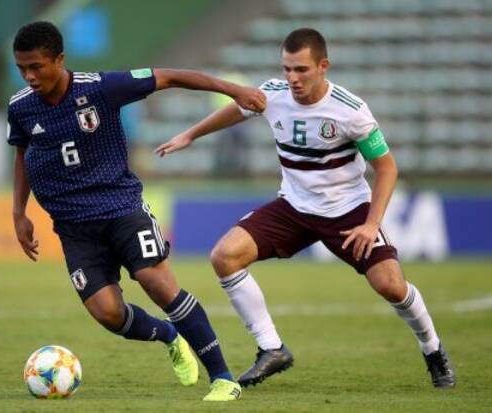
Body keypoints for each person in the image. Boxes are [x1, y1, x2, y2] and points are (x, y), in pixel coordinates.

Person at [155, 28, 455, 389]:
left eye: (301, 69)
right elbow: (238, 109)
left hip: (348, 211)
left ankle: (432, 349)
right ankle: (272, 348)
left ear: (323, 66)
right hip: (294, 207)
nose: (292, 78)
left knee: (391, 286)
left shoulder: (350, 110)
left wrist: (372, 223)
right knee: (225, 256)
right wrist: (190, 134)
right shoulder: (272, 94)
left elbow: (387, 168)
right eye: (287, 69)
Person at [8, 21, 265, 401]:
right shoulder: (20, 107)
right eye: (22, 69)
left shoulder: (101, 87)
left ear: (59, 60)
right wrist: (19, 211)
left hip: (121, 209)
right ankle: (170, 336)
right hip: (73, 227)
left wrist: (234, 90)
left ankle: (223, 379)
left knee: (155, 282)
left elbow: (171, 77)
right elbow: (22, 153)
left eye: (36, 67)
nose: (29, 76)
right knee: (107, 313)